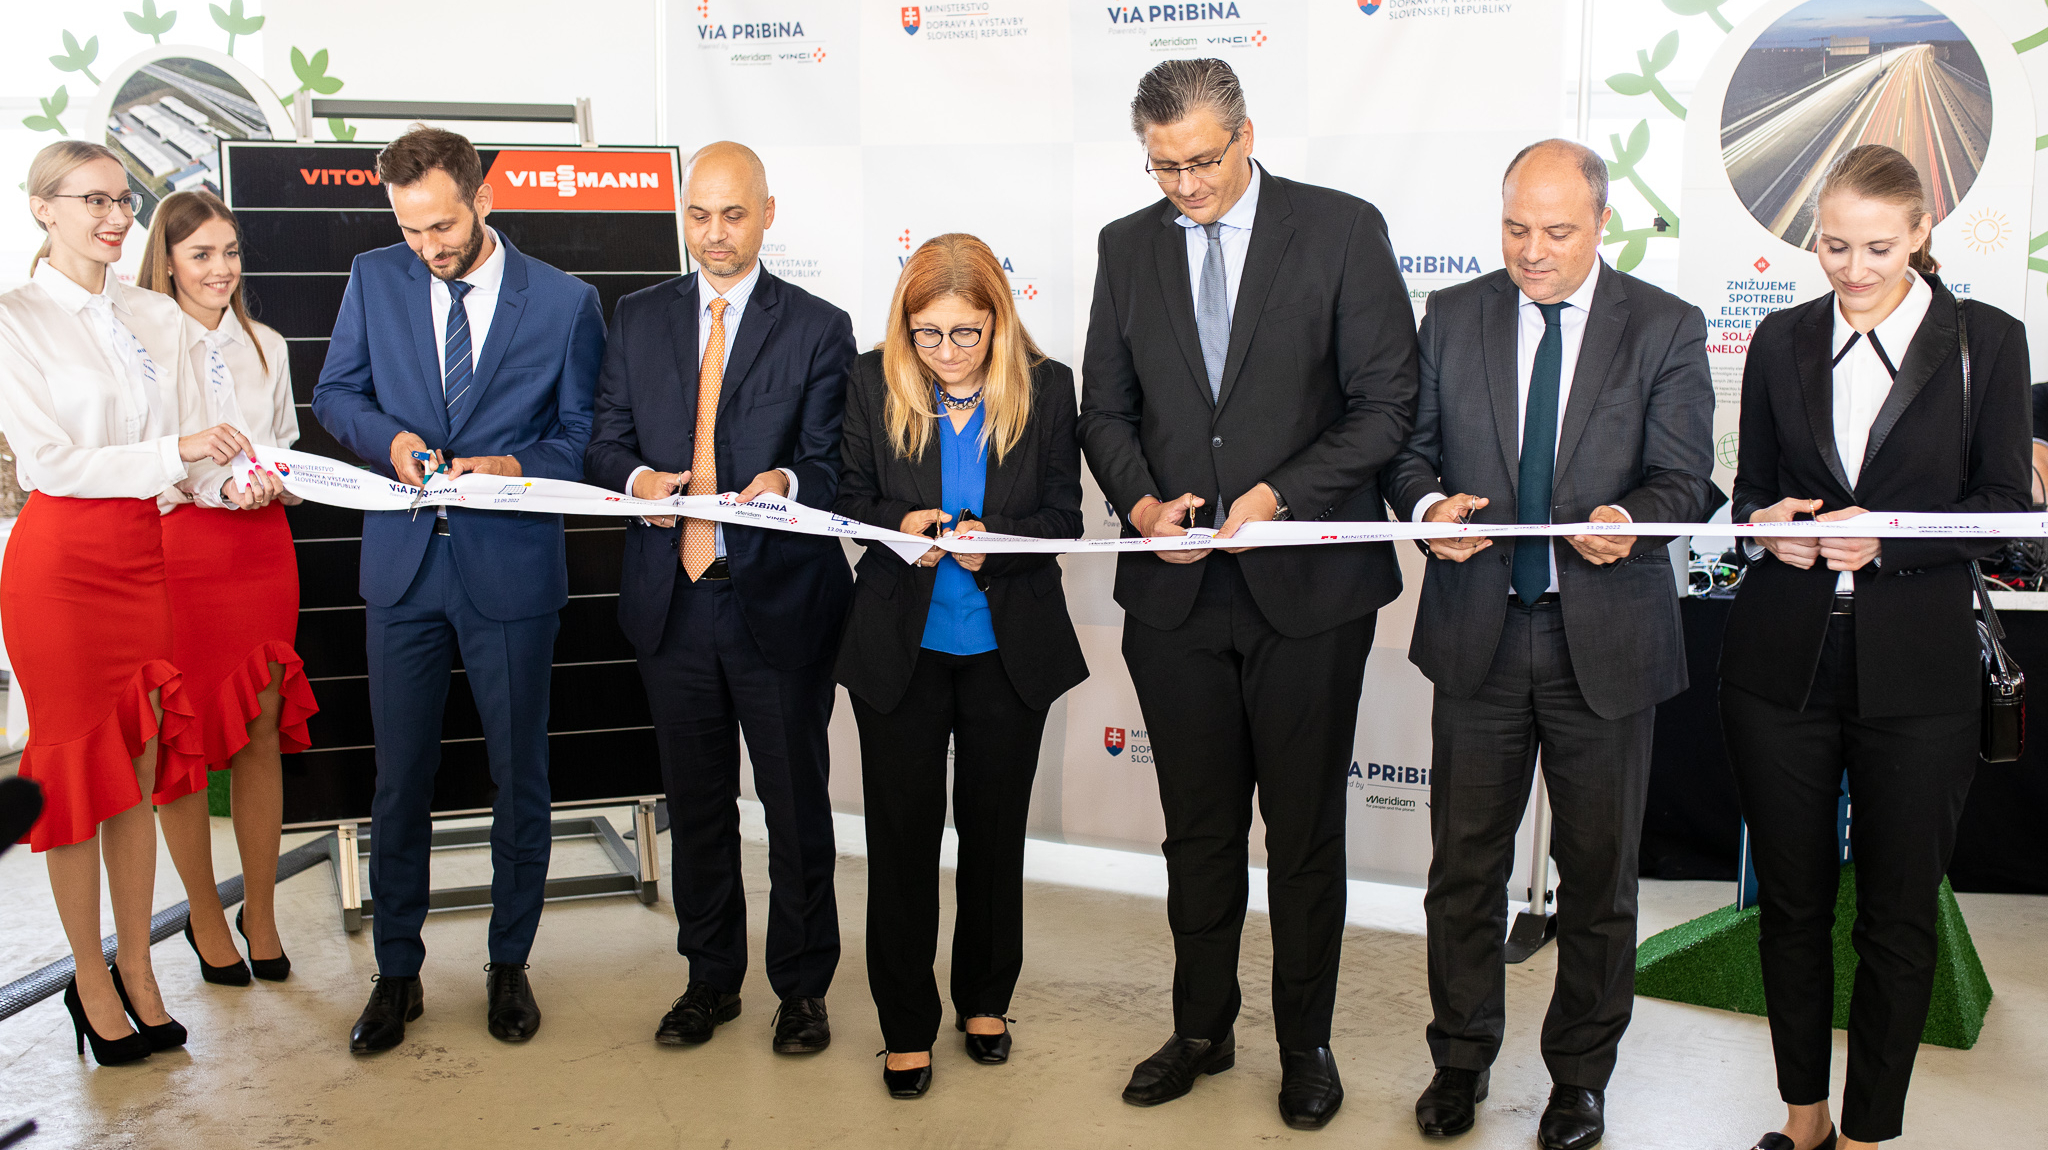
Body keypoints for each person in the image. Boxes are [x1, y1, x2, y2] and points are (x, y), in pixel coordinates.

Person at [1077, 58, 1419, 1130]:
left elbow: (1386, 403)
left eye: (1201, 162)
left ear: (1246, 136)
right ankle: (1200, 1028)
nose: (1184, 186)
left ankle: (1306, 1044)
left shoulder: (1341, 230)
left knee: (1304, 834)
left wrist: (1277, 495)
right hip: (1174, 596)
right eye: (1162, 166)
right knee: (1197, 830)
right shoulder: (1124, 247)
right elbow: (1103, 410)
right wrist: (1140, 507)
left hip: (1307, 592)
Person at [1381, 140, 1722, 1150]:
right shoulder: (1452, 316)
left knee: (1599, 879)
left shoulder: (1663, 325)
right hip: (1475, 635)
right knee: (1463, 871)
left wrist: (1633, 519)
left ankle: (1579, 1079)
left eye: (1557, 231)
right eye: (1514, 228)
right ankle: (1459, 1059)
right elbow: (1406, 454)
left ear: (1602, 225)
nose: (1531, 251)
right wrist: (1429, 508)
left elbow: (1686, 477)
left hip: (1604, 644)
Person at [1721, 144, 2029, 1150]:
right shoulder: (1780, 338)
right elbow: (1749, 492)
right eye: (1833, 246)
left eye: (1878, 248)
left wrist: (1889, 536)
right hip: (1781, 660)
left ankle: (1865, 1134)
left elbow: (2002, 513)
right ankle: (1804, 1118)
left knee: (1896, 915)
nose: (1853, 269)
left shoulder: (1985, 340)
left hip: (1920, 669)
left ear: (1922, 231)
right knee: (1790, 904)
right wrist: (1766, 525)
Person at [311, 126, 604, 1053]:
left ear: (483, 200)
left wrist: (514, 466)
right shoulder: (373, 277)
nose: (427, 247)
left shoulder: (565, 302)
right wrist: (389, 441)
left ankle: (509, 964)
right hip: (402, 570)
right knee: (400, 779)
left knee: (520, 775)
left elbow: (585, 436)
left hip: (511, 569)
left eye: (441, 226)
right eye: (409, 230)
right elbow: (336, 395)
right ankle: (396, 973)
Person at [585, 142, 854, 1057]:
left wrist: (788, 482)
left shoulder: (817, 326)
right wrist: (637, 480)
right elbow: (602, 441)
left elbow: (836, 464)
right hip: (672, 602)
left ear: (768, 214)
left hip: (777, 603)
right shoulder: (638, 316)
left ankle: (803, 989)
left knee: (795, 808)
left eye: (733, 214)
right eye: (698, 214)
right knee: (697, 808)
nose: (714, 233)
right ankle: (709, 980)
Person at [0, 141, 251, 1064]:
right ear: (43, 208)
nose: (115, 218)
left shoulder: (152, 313)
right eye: (93, 201)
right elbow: (50, 464)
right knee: (75, 778)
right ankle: (89, 976)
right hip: (61, 565)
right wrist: (178, 452)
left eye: (124, 202)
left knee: (136, 782)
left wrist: (233, 485)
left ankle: (139, 965)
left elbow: (189, 458)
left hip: (145, 557)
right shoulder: (14, 318)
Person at [834, 233, 1088, 1099]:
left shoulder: (1048, 388)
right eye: (928, 334)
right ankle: (905, 1026)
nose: (946, 352)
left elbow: (1064, 517)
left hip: (1005, 653)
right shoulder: (870, 381)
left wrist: (1000, 545)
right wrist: (899, 526)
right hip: (898, 651)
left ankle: (985, 999)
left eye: (966, 333)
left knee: (993, 837)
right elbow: (848, 499)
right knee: (901, 844)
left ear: (998, 321)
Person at [140, 190, 319, 989]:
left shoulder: (267, 345)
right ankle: (205, 917)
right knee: (181, 741)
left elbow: (285, 450)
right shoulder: (142, 350)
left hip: (262, 553)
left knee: (261, 728)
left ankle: (262, 913)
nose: (222, 269)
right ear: (168, 262)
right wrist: (215, 488)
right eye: (202, 254)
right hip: (182, 553)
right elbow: (144, 466)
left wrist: (280, 484)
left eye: (231, 252)